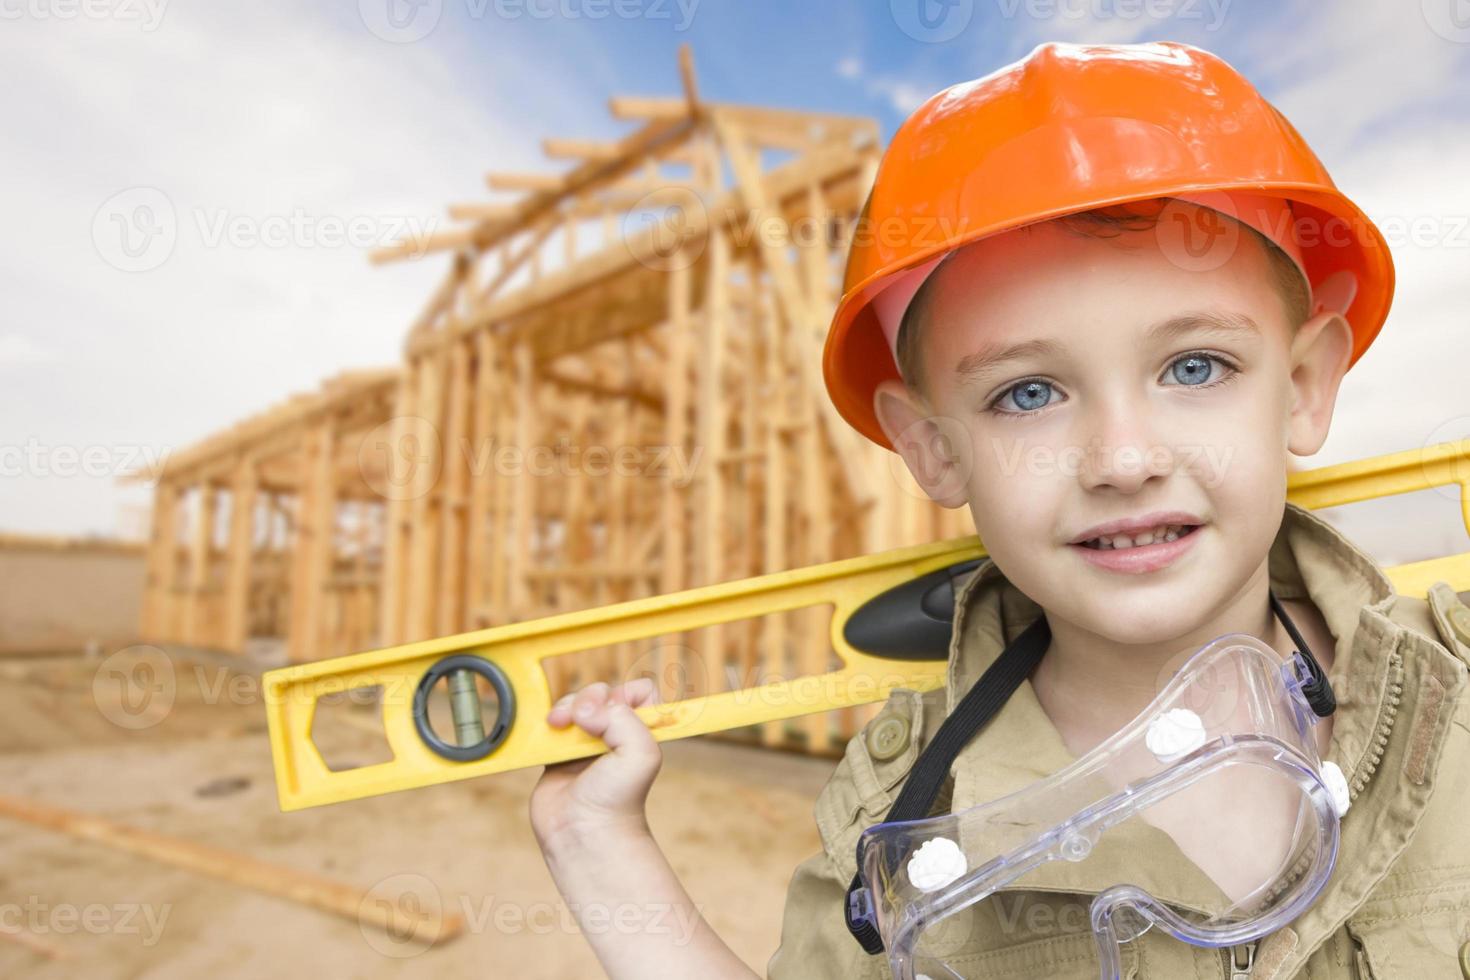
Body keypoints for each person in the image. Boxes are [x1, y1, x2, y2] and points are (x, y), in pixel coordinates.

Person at [528, 41, 1470, 979]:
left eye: (1194, 368)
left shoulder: (1455, 692)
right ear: (934, 446)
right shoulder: (900, 831)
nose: (1124, 459)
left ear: (1304, 385)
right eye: (1028, 394)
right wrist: (595, 840)